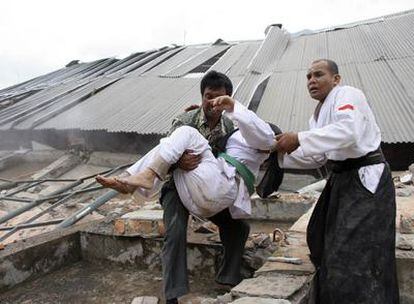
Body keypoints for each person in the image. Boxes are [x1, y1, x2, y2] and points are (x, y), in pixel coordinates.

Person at [97, 71, 255, 304]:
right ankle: (173, 294)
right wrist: (177, 164)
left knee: (238, 227)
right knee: (175, 230)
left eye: (217, 98)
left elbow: (230, 158)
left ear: (227, 99)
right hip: (176, 184)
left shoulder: (229, 126)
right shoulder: (185, 120)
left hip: (206, 188)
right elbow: (165, 152)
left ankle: (227, 278)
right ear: (202, 96)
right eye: (207, 96)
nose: (211, 103)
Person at [275, 59, 399, 303]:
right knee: (322, 240)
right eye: (308, 76)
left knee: (356, 251)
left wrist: (298, 138)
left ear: (336, 79)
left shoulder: (347, 94)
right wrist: (279, 154)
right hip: (341, 180)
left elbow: (348, 131)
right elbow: (318, 156)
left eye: (318, 74)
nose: (312, 80)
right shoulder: (317, 116)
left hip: (365, 181)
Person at [97, 95, 275, 219]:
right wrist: (198, 114)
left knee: (187, 133)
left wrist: (233, 105)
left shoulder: (263, 140)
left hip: (221, 188)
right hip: (203, 196)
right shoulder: (238, 136)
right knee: (168, 144)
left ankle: (146, 177)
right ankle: (131, 181)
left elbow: (264, 135)